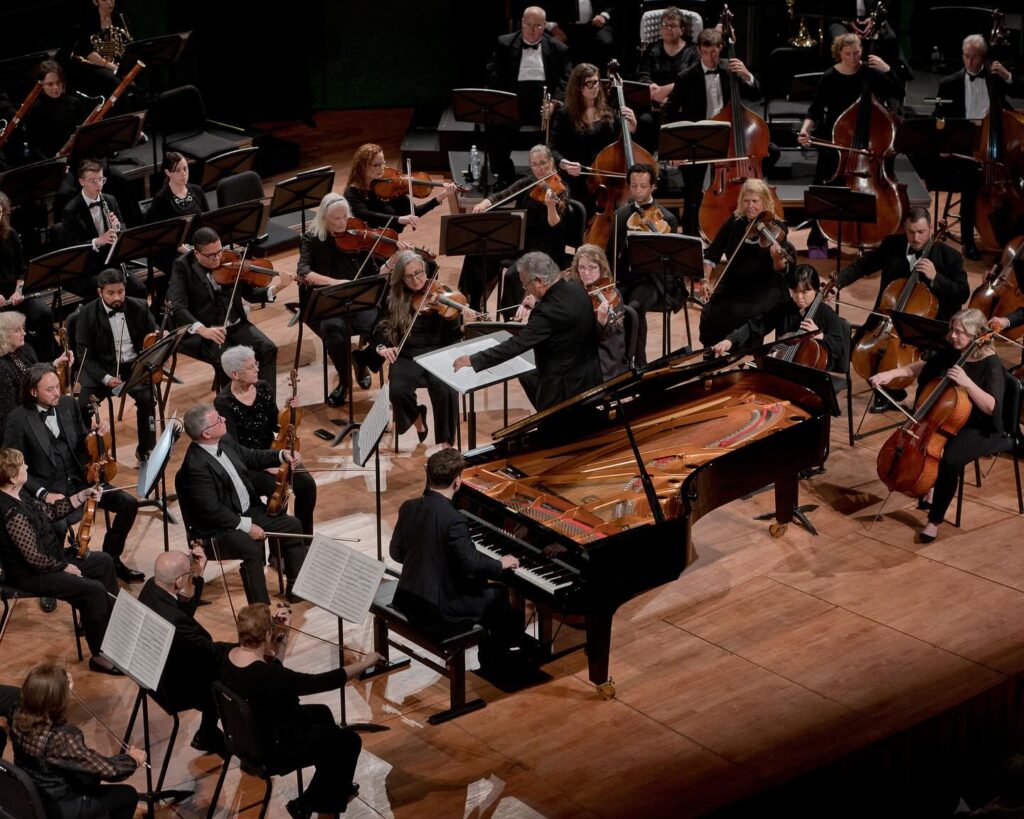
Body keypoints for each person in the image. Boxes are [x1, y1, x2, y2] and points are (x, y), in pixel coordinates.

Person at [220, 603, 382, 819]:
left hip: (251, 735)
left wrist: (282, 639)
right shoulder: (268, 677)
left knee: (323, 713)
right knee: (349, 741)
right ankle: (308, 801)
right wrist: (364, 663)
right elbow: (322, 682)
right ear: (268, 633)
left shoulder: (228, 658)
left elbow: (270, 673)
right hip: (277, 746)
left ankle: (331, 789)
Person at [869, 308, 1007, 543]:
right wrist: (892, 374)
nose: (953, 336)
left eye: (960, 332)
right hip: (946, 419)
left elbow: (992, 406)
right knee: (932, 447)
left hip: (980, 426)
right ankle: (930, 484)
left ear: (976, 335)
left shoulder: (991, 364)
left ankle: (934, 520)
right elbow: (924, 366)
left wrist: (966, 383)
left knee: (950, 459)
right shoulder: (954, 351)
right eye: (952, 329)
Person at [4, 364, 142, 582]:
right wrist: (42, 494)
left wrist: (97, 432)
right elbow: (13, 467)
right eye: (49, 389)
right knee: (56, 525)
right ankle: (52, 573)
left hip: (82, 481)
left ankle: (111, 558)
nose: (57, 392)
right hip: (50, 491)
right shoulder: (18, 419)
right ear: (33, 392)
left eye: (57, 387)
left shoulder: (68, 404)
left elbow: (83, 440)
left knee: (128, 503)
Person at [389, 448, 523, 674]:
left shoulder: (409, 507)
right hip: (437, 609)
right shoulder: (454, 519)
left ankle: (497, 650)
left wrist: (431, 561)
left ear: (429, 476)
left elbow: (396, 553)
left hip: (409, 597)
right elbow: (471, 564)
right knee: (498, 594)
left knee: (481, 590)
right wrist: (500, 563)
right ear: (457, 482)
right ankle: (497, 659)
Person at [0, 448, 121, 673]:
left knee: (103, 562)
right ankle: (101, 657)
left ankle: (104, 626)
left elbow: (51, 512)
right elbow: (33, 558)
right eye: (22, 466)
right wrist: (65, 567)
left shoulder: (19, 494)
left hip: (50, 559)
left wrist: (81, 496)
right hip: (31, 575)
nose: (27, 467)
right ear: (13, 477)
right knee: (93, 590)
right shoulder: (10, 513)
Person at [837, 206, 969, 411]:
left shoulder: (949, 256)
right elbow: (864, 265)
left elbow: (962, 293)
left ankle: (915, 397)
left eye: (921, 232)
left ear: (931, 229)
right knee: (860, 346)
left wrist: (936, 278)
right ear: (904, 230)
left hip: (928, 324)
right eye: (910, 232)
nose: (916, 238)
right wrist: (838, 283)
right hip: (889, 318)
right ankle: (888, 391)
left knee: (931, 364)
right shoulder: (893, 244)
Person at [177, 403, 306, 604]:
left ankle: (295, 587)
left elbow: (250, 456)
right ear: (207, 433)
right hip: (217, 529)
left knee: (293, 525)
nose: (225, 420)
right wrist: (247, 526)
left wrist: (281, 455)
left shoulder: (224, 440)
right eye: (219, 420)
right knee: (252, 550)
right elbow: (212, 511)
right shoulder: (195, 467)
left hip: (247, 510)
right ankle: (260, 611)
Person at [797, 33, 902, 255]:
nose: (854, 58)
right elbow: (814, 109)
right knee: (823, 191)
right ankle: (818, 240)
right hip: (835, 142)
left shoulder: (871, 73)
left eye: (857, 53)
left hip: (866, 144)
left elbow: (897, 91)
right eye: (848, 54)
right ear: (839, 54)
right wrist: (806, 130)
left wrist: (887, 69)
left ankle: (868, 238)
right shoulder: (829, 77)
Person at [454, 251, 601, 410]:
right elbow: (563, 317)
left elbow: (515, 345)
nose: (526, 289)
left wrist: (473, 360)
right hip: (592, 378)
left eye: (525, 284)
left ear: (539, 281)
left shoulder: (545, 313)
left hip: (564, 392)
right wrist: (537, 305)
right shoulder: (576, 289)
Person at [168, 226, 294, 401]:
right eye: (211, 255)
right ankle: (235, 409)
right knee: (228, 364)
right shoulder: (182, 266)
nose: (218, 258)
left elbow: (251, 294)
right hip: (209, 332)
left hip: (236, 324)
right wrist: (203, 330)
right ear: (196, 253)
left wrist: (279, 287)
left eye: (219, 251)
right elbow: (177, 306)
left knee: (268, 348)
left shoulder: (230, 260)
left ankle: (266, 404)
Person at [661, 27, 761, 238]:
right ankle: (691, 240)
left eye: (715, 52)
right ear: (699, 50)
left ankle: (737, 233)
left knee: (771, 152)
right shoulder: (686, 76)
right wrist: (673, 150)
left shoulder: (731, 70)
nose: (711, 57)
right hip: (699, 137)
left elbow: (756, 94)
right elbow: (669, 112)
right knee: (692, 194)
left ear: (721, 48)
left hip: (730, 137)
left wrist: (747, 75)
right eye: (706, 52)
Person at [11, 664, 144, 817]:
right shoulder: (59, 738)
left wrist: (60, 682)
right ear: (56, 701)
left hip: (31, 794)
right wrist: (133, 760)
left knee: (90, 777)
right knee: (127, 796)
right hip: (57, 806)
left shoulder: (17, 715)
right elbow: (109, 770)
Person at [935, 34, 1024, 259]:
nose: (970, 62)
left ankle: (1013, 236)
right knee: (970, 185)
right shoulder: (949, 84)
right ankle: (968, 241)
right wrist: (944, 142)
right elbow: (939, 118)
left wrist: (1009, 76)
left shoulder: (995, 77)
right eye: (966, 56)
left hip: (996, 146)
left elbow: (1020, 90)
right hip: (967, 147)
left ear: (984, 58)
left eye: (975, 57)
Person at [137, 547, 232, 755]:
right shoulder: (175, 622)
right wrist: (241, 648)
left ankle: (207, 732)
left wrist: (197, 575)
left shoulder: (151, 588)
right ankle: (211, 735)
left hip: (151, 671)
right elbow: (209, 651)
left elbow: (182, 613)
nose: (190, 577)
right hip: (171, 688)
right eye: (188, 574)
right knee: (228, 675)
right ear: (178, 582)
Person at [215, 345, 317, 537]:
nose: (257, 370)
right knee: (277, 491)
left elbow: (275, 425)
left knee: (307, 485)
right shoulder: (223, 402)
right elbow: (234, 448)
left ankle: (303, 540)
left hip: (273, 452)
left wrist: (287, 411)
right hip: (247, 464)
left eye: (256, 364)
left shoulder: (263, 388)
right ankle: (279, 553)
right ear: (235, 374)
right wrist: (267, 466)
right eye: (251, 367)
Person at [365, 250, 461, 447]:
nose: (417, 280)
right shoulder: (394, 298)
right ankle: (417, 418)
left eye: (420, 273)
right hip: (408, 355)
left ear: (425, 270)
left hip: (438, 352)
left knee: (446, 390)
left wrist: (457, 321)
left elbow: (453, 337)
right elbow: (381, 328)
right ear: (401, 278)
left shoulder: (442, 293)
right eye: (410, 276)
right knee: (398, 391)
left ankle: (447, 445)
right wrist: (382, 348)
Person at [296, 193, 378, 406]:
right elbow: (303, 272)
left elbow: (374, 273)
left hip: (356, 300)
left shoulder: (357, 236)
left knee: (379, 325)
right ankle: (344, 381)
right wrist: (335, 283)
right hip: (327, 302)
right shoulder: (312, 239)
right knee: (333, 332)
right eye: (336, 219)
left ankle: (361, 360)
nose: (342, 223)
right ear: (324, 219)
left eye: (345, 217)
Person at [468, 144, 569, 312]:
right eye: (535, 165)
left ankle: (511, 318)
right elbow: (505, 193)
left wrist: (551, 206)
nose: (539, 169)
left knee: (514, 274)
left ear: (551, 162)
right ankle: (476, 307)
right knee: (478, 252)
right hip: (521, 240)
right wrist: (483, 204)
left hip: (544, 247)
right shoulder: (529, 182)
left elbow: (556, 227)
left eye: (543, 163)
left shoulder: (562, 189)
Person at [73, 268, 158, 462]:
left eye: (120, 291)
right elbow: (84, 356)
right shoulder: (87, 314)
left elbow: (152, 338)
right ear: (100, 292)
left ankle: (146, 449)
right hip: (101, 370)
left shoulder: (140, 306)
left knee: (147, 399)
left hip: (134, 367)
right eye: (111, 293)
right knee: (83, 405)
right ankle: (87, 456)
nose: (117, 297)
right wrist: (106, 378)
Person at [700, 178, 793, 348]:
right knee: (710, 312)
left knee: (748, 313)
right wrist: (705, 280)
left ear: (765, 202)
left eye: (755, 201)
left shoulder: (776, 227)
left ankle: (746, 353)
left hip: (765, 285)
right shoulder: (735, 222)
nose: (750, 206)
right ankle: (714, 354)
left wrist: (776, 259)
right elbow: (712, 254)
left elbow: (781, 269)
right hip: (734, 280)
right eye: (746, 201)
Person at [485, 5, 572, 186]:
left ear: (545, 25)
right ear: (522, 23)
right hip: (513, 101)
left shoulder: (558, 48)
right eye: (528, 25)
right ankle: (504, 173)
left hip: (544, 103)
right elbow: (493, 74)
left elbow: (566, 79)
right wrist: (504, 101)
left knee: (564, 119)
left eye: (538, 26)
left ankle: (556, 174)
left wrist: (554, 103)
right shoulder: (504, 43)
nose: (532, 30)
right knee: (494, 124)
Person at [712, 264, 851, 374]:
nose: (799, 297)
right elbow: (757, 324)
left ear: (815, 290)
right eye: (795, 291)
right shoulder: (785, 308)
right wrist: (730, 340)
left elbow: (840, 348)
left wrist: (820, 335)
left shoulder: (827, 314)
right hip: (784, 363)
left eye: (805, 292)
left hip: (815, 371)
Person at [606, 163, 679, 366]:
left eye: (643, 186)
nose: (638, 191)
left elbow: (671, 262)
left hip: (652, 280)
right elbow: (609, 252)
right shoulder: (621, 215)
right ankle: (614, 360)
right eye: (634, 186)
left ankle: (638, 361)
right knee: (609, 307)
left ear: (653, 187)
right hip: (625, 277)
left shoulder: (667, 218)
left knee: (633, 309)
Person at [549, 63, 637, 216]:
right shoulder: (565, 115)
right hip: (577, 178)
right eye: (588, 83)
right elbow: (552, 149)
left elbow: (620, 144)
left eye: (596, 82)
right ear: (578, 87)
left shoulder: (607, 112)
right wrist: (565, 164)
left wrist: (632, 128)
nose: (594, 87)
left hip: (605, 180)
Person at [57, 158, 144, 299]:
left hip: (110, 263)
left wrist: (117, 227)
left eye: (101, 179)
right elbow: (71, 248)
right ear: (81, 182)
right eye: (93, 181)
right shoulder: (71, 210)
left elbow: (123, 227)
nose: (98, 185)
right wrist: (97, 241)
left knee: (139, 290)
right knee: (107, 295)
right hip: (88, 269)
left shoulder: (110, 200)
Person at [144, 151, 210, 312]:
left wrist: (205, 247)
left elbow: (207, 222)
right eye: (178, 170)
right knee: (188, 264)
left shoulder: (196, 191)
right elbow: (160, 234)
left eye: (185, 169)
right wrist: (189, 250)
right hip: (168, 249)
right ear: (168, 172)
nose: (183, 174)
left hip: (195, 246)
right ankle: (185, 308)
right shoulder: (162, 198)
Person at [343, 143, 456, 232]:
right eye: (376, 165)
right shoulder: (352, 193)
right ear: (362, 166)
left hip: (391, 241)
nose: (382, 168)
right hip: (370, 247)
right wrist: (399, 219)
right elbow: (366, 215)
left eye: (383, 163)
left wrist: (440, 198)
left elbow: (414, 213)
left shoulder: (389, 188)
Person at [0, 312, 72, 441]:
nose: (24, 333)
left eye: (23, 328)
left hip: (38, 407)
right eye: (17, 330)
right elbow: (10, 413)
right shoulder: (2, 368)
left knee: (71, 406)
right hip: (22, 422)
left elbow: (37, 372)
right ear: (4, 336)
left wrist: (56, 363)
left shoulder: (25, 349)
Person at [632, 6, 697, 150]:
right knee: (644, 121)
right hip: (654, 102)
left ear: (682, 29)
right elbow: (643, 75)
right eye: (665, 25)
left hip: (681, 103)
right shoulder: (652, 49)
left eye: (673, 25)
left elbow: (692, 80)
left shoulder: (693, 51)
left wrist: (667, 91)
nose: (668, 28)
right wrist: (653, 88)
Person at [0, 190, 54, 361]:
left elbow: (22, 268)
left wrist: (19, 290)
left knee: (44, 313)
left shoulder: (10, 234)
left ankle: (47, 364)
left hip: (14, 295)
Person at [564, 243, 628, 377]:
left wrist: (602, 322)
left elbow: (610, 336)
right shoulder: (576, 291)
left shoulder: (612, 295)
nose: (586, 273)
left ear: (601, 267)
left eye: (592, 267)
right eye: (582, 268)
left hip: (602, 356)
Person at [24, 61, 86, 160]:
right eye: (50, 84)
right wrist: (53, 163)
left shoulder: (74, 102)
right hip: (52, 161)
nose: (56, 88)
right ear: (41, 85)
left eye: (58, 82)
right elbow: (33, 146)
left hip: (76, 155)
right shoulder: (36, 110)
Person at [68, 0, 130, 97]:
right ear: (96, 2)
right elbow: (87, 52)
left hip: (115, 63)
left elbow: (127, 43)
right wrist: (110, 65)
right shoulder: (86, 21)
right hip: (91, 66)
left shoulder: (119, 18)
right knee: (113, 79)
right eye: (105, 0)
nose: (110, 2)